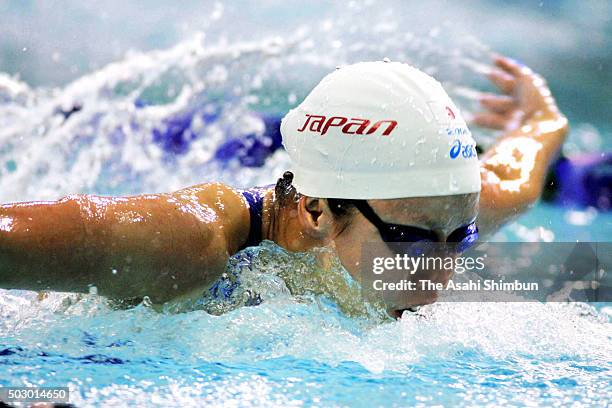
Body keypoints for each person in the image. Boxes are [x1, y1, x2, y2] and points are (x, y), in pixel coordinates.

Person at [0, 56, 567, 317]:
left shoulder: (430, 211)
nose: (439, 276)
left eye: (462, 239)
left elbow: (515, 174)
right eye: (411, 244)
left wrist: (541, 120)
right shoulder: (185, 243)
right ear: (318, 210)